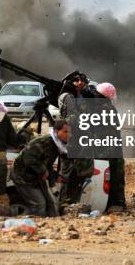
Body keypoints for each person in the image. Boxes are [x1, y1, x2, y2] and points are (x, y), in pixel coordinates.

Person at [10, 119, 69, 217]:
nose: (68, 135)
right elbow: (28, 158)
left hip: (35, 177)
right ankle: (33, 226)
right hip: (22, 176)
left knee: (51, 204)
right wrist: (43, 171)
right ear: (56, 131)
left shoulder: (56, 145)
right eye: (65, 131)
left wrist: (54, 176)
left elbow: (46, 164)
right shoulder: (44, 141)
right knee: (39, 204)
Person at [57, 73, 95, 208]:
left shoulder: (81, 95)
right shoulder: (67, 96)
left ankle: (73, 201)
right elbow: (71, 117)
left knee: (81, 172)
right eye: (76, 81)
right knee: (67, 172)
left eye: (82, 81)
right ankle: (63, 203)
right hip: (71, 137)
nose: (79, 83)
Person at [95, 82, 126, 212]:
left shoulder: (93, 107)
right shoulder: (108, 108)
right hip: (111, 148)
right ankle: (117, 204)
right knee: (116, 176)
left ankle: (104, 203)